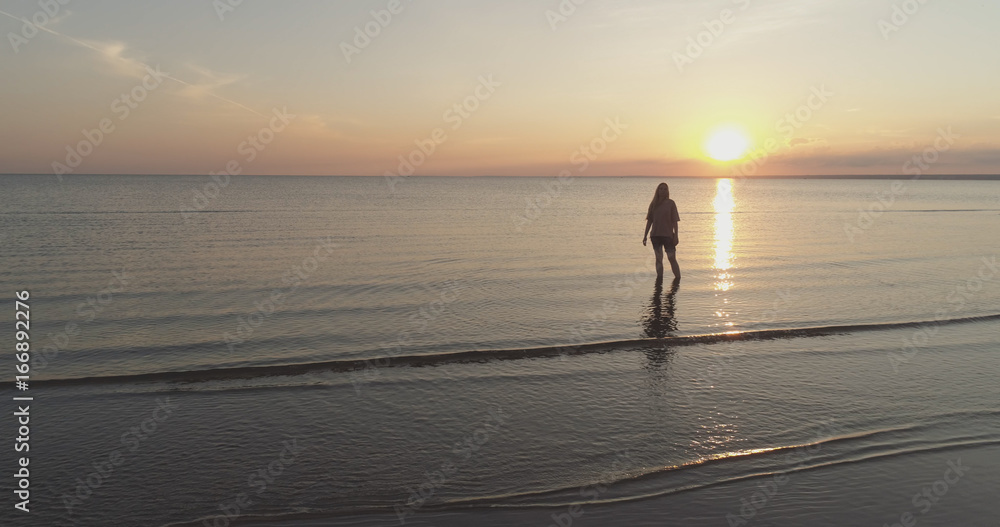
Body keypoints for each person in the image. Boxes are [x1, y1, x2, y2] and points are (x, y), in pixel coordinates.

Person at [642, 182, 681, 280]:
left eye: (665, 189)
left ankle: (678, 279)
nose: (663, 191)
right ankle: (659, 281)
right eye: (661, 189)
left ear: (667, 191)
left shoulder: (671, 203)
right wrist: (645, 236)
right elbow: (650, 221)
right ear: (657, 191)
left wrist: (676, 236)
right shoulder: (653, 204)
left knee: (672, 258)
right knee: (659, 259)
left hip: (668, 236)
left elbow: (674, 221)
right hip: (656, 236)